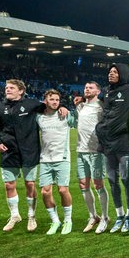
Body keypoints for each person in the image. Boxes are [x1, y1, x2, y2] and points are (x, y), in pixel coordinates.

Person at [0, 79, 61, 232]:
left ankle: (31, 215)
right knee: (9, 185)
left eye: (11, 88)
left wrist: (62, 108)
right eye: (7, 87)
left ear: (21, 91)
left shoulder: (31, 104)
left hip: (29, 151)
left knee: (30, 184)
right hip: (9, 152)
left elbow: (50, 107)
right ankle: (15, 215)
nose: (7, 89)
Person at [95, 64, 129, 233]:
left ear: (123, 74)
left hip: (124, 143)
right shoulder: (106, 91)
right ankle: (119, 215)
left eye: (115, 72)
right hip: (107, 143)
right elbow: (95, 98)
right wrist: (82, 99)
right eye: (110, 71)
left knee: (126, 179)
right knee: (112, 181)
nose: (111, 74)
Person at [37, 89, 77, 235]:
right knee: (45, 192)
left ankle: (68, 220)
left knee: (62, 190)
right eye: (52, 99)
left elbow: (79, 120)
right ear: (45, 101)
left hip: (62, 158)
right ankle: (55, 221)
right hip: (45, 159)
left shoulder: (65, 115)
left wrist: (69, 109)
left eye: (57, 100)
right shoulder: (39, 117)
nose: (55, 102)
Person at [74, 81, 109, 233]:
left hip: (96, 151)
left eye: (91, 87)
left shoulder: (102, 106)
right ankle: (93, 216)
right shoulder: (80, 106)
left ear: (98, 91)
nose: (87, 89)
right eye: (86, 87)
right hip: (81, 151)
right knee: (83, 184)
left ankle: (105, 217)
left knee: (98, 184)